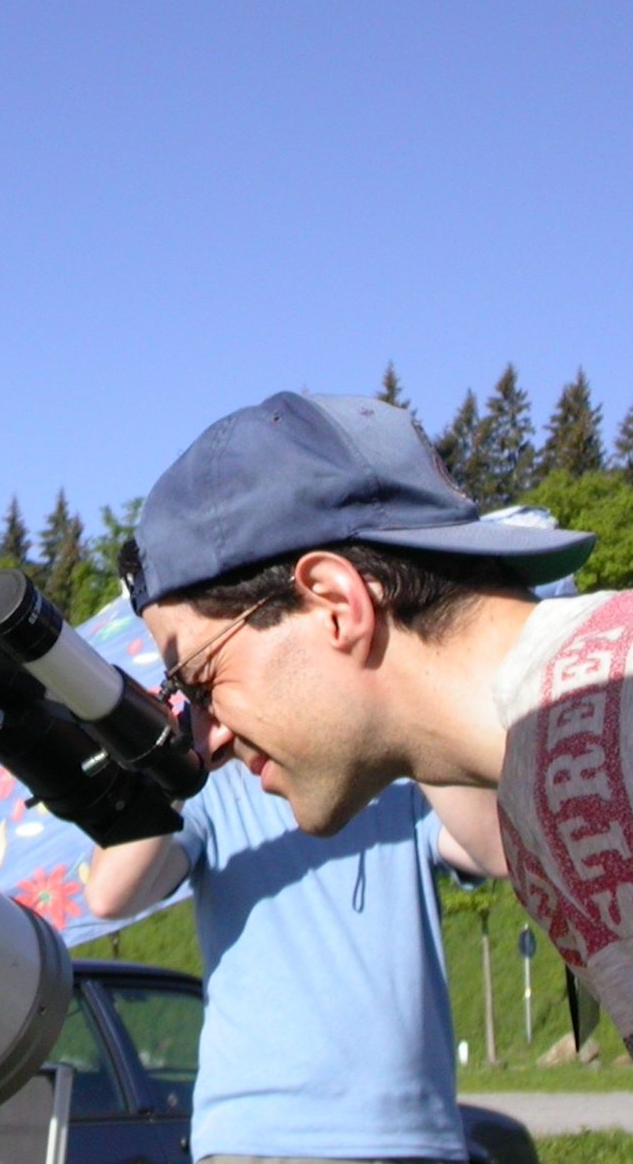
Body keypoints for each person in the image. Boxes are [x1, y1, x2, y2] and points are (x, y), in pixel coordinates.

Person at [119, 389, 631, 1053]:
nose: (207, 739)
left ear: (336, 603)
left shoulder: (607, 719)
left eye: (203, 681)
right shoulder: (547, 793)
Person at [87, 757, 505, 1164]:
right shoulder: (215, 787)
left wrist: (409, 730)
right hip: (261, 1144)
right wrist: (173, 762)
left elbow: (499, 848)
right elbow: (110, 893)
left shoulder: (401, 780)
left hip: (412, 1142)